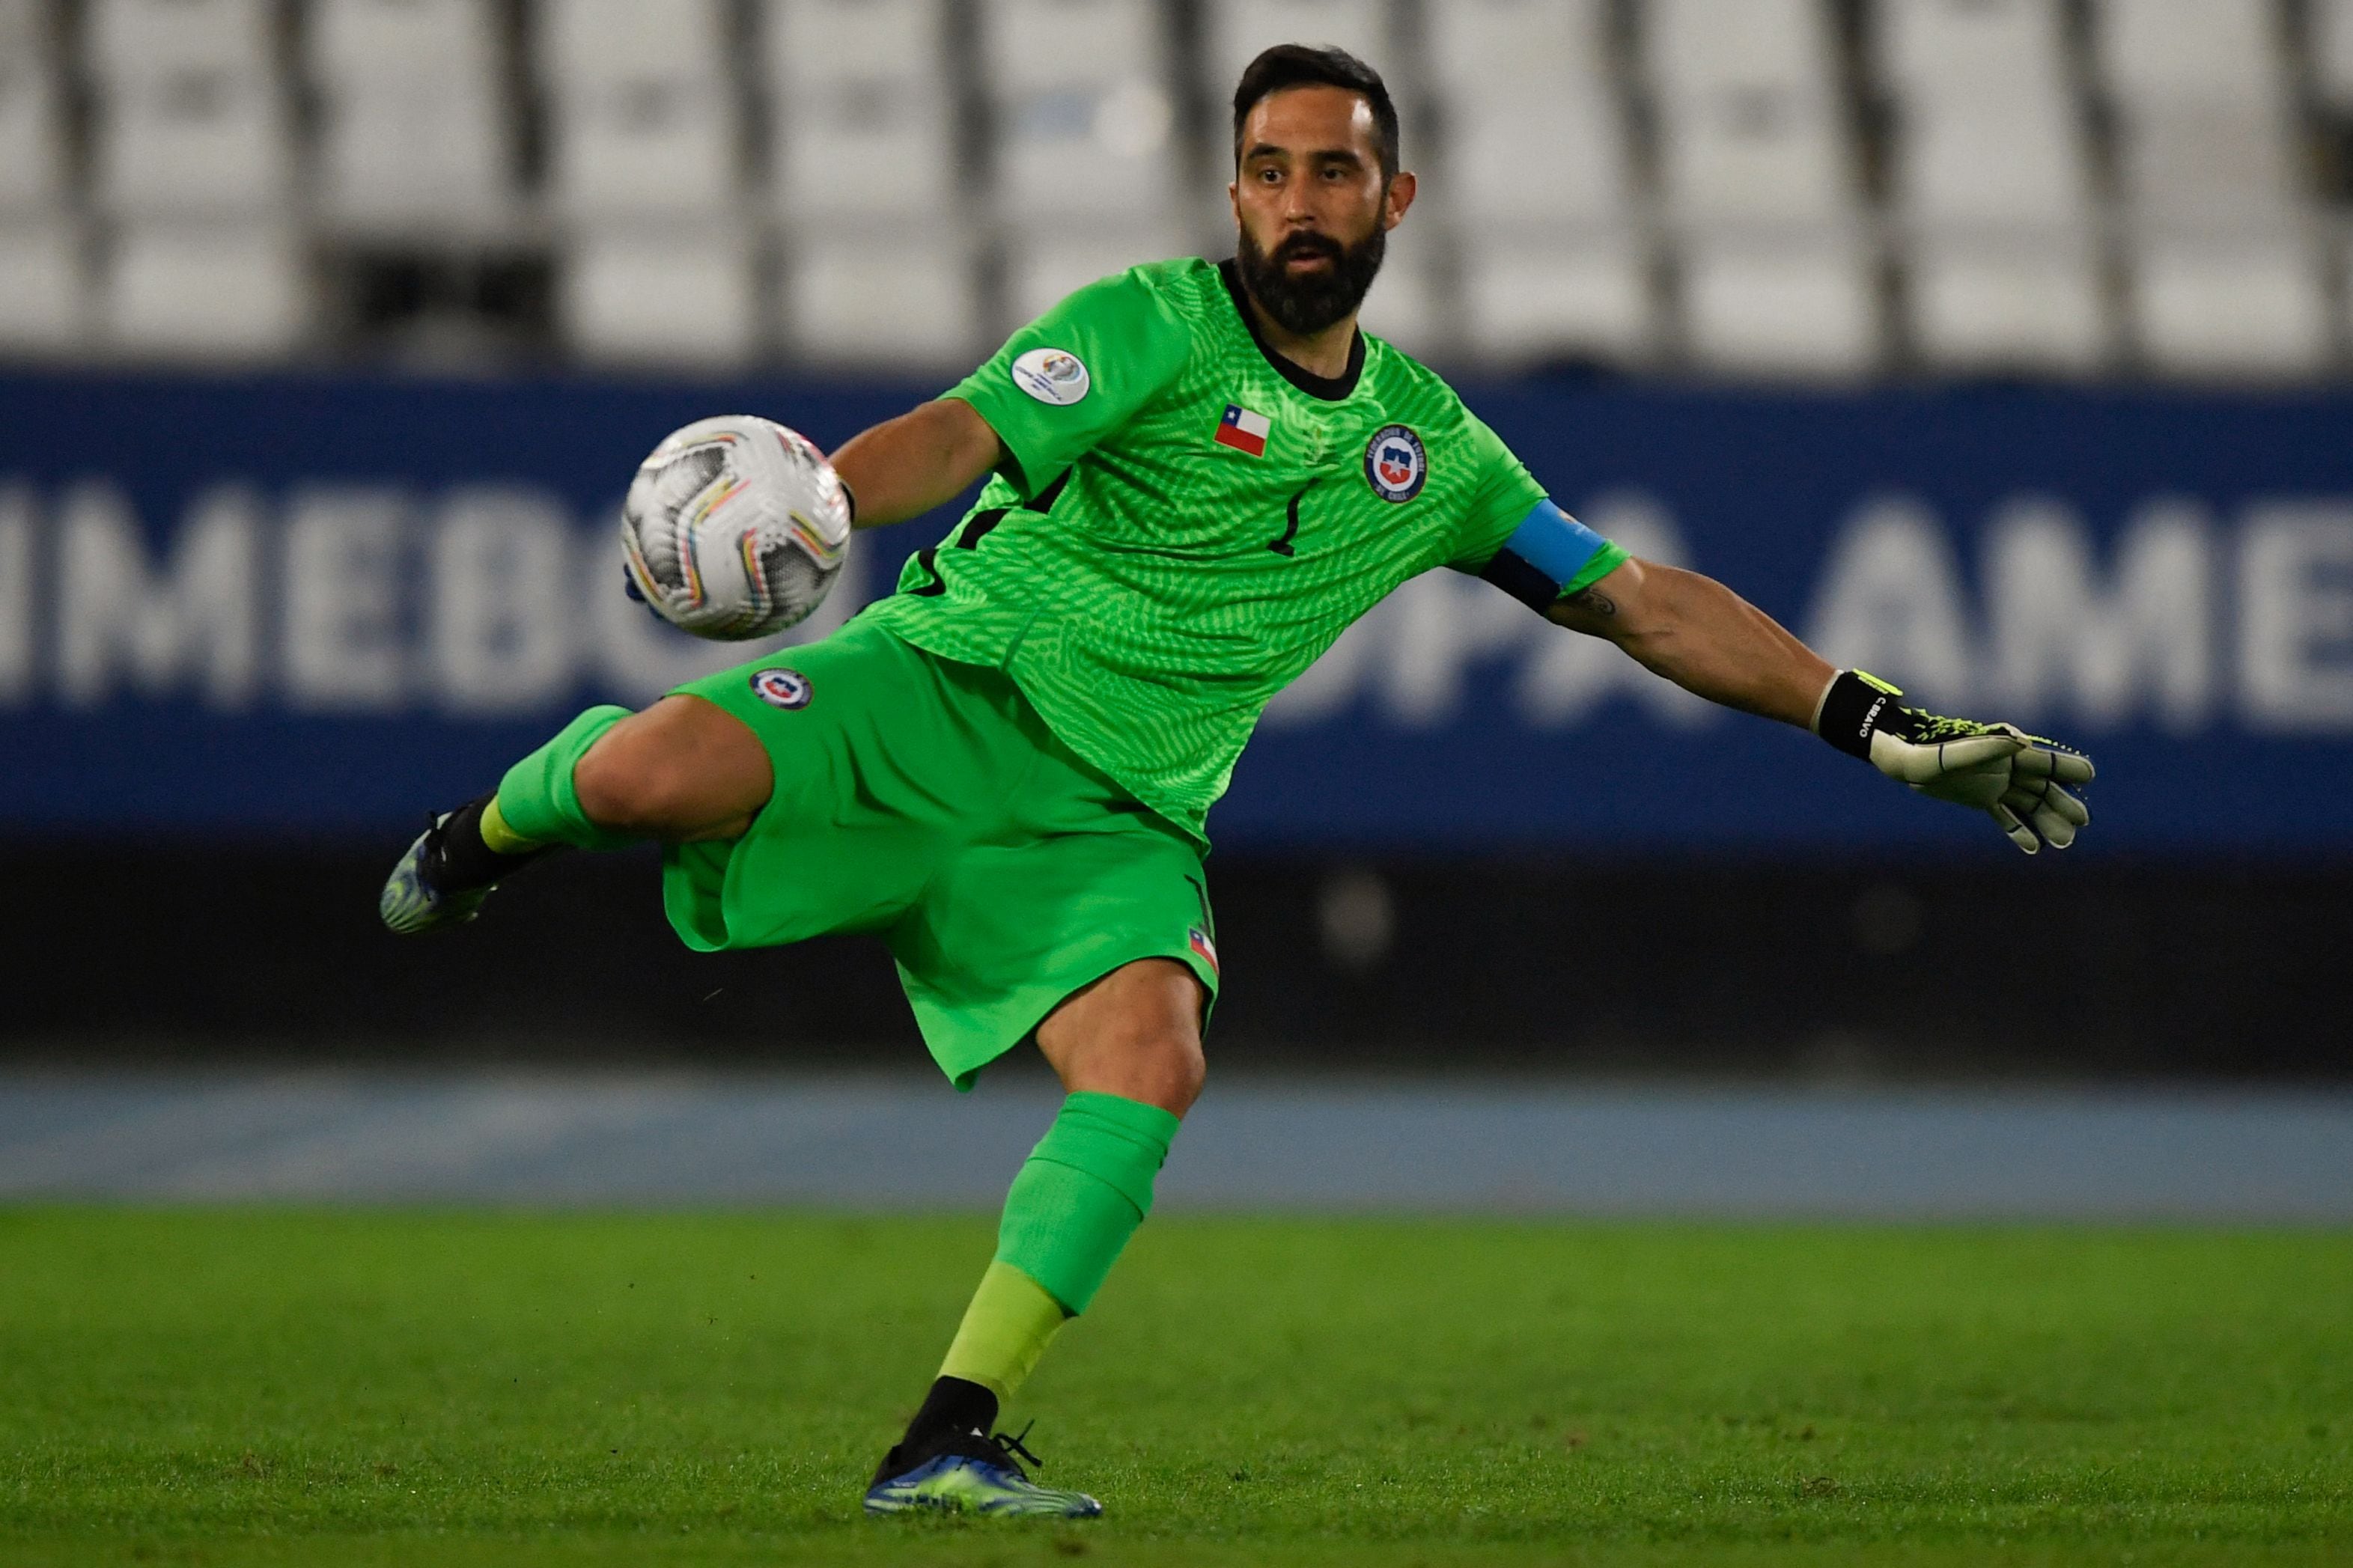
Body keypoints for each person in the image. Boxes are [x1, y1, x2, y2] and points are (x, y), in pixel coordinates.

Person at [379, 45, 2093, 1519]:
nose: (1295, 200)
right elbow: (965, 432)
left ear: (1393, 200)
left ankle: (946, 1437)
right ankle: (478, 835)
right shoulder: (1150, 325)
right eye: (1266, 168)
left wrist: (1872, 721)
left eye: (1330, 171)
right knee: (653, 768)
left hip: (1113, 817)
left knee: (1155, 1052)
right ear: (1233, 184)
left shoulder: (1434, 456)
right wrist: (823, 502)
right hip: (932, 688)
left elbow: (1641, 602)